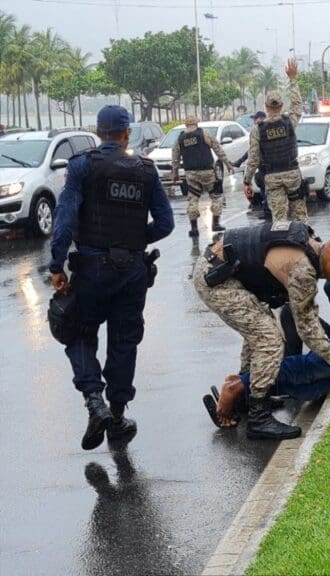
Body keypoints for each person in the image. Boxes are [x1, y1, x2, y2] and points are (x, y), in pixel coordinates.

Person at [49, 104, 174, 450]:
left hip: (91, 268)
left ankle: (95, 403)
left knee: (76, 331)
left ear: (97, 131)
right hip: (132, 270)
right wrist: (133, 242)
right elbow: (165, 224)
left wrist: (57, 265)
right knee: (124, 341)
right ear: (126, 133)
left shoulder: (82, 167)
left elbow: (65, 219)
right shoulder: (146, 172)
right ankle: (117, 417)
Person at [193, 225, 330, 440]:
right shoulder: (303, 268)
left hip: (222, 270)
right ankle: (258, 418)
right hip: (216, 279)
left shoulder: (310, 246)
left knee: (263, 332)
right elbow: (307, 327)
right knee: (270, 340)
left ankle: (245, 396)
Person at [244, 58, 306, 223]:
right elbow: (297, 104)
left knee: (279, 220)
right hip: (292, 174)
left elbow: (254, 159)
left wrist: (247, 181)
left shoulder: (258, 130)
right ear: (281, 105)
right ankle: (304, 245)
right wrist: (292, 79)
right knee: (300, 218)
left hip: (272, 178)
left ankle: (282, 245)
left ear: (265, 106)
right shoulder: (289, 122)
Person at [172, 116, 233, 237]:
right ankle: (215, 223)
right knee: (216, 196)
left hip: (191, 173)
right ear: (196, 123)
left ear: (186, 125)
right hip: (207, 172)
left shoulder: (180, 139)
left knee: (193, 199)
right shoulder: (204, 134)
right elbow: (217, 149)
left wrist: (175, 173)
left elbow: (175, 157)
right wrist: (227, 163)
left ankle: (194, 228)